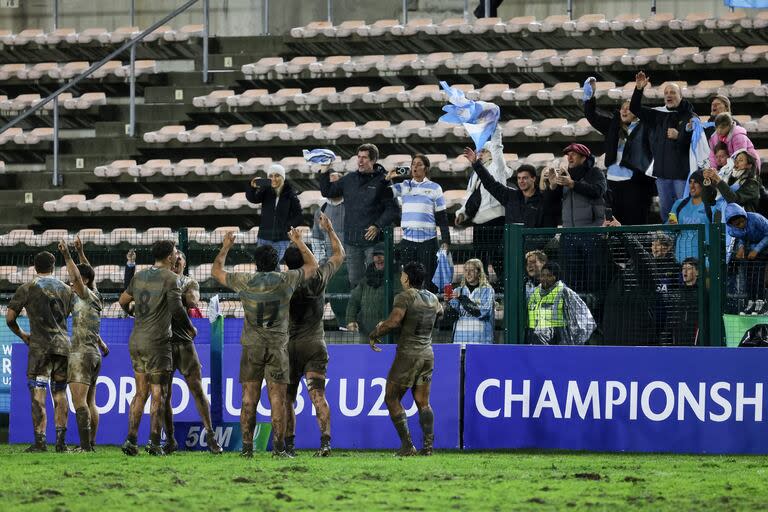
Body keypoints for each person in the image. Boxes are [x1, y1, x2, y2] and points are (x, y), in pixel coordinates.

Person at [212, 229, 317, 458]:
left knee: (249, 398)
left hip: (251, 346)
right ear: (276, 262)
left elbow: (216, 271)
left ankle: (247, 448)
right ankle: (279, 449)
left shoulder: (244, 281)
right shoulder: (285, 280)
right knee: (278, 399)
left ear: (256, 263)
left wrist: (226, 246)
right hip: (278, 347)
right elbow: (312, 267)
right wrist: (298, 242)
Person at [124, 249, 222, 454]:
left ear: (184, 264)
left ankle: (211, 435)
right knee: (163, 395)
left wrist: (177, 291)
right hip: (162, 344)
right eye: (174, 259)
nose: (176, 262)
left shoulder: (188, 282)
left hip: (184, 344)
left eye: (180, 260)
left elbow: (193, 301)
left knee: (196, 389)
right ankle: (169, 439)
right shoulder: (162, 280)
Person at [118, 240, 195, 456]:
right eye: (175, 253)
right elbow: (177, 309)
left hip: (136, 340)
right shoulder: (171, 278)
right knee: (158, 393)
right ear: (170, 257)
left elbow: (123, 301)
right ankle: (154, 442)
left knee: (140, 392)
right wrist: (190, 328)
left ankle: (131, 440)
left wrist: (133, 313)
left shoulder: (139, 276)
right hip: (157, 342)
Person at [283, 213, 345, 457]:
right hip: (314, 344)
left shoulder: (284, 282)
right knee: (317, 395)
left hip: (288, 346)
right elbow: (340, 255)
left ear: (287, 265)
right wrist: (329, 230)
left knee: (287, 399)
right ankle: (326, 443)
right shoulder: (319, 278)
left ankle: (288, 447)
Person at [368, 262, 442, 456]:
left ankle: (407, 446)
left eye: (402, 275)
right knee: (423, 403)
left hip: (408, 355)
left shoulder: (405, 296)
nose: (401, 277)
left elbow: (394, 321)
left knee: (391, 398)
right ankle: (427, 448)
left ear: (407, 278)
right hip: (427, 355)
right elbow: (440, 313)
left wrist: (376, 331)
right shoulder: (434, 299)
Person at [6, 251, 74, 452]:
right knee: (60, 392)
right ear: (54, 267)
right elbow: (67, 313)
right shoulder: (66, 289)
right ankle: (61, 444)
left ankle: (40, 442)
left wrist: (23, 335)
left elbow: (10, 318)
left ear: (35, 267)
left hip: (40, 347)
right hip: (63, 346)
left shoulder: (28, 288)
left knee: (38, 393)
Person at [318, 143, 400, 288]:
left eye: (365, 158)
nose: (360, 161)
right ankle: (359, 311)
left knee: (375, 281)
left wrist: (377, 225)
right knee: (355, 282)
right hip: (352, 242)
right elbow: (328, 191)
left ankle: (375, 310)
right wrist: (324, 170)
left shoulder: (384, 180)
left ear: (373, 160)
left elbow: (393, 210)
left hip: (374, 243)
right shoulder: (349, 179)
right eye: (359, 157)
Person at [58, 238, 109, 452]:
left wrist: (67, 255)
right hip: (94, 354)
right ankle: (92, 444)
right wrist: (81, 252)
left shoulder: (85, 294)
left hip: (81, 355)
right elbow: (87, 274)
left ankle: (85, 447)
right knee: (90, 403)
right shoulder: (95, 295)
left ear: (84, 281)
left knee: (79, 403)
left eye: (75, 281)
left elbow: (79, 276)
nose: (71, 283)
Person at [583, 76, 655, 225]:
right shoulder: (613, 126)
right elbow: (592, 117)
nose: (624, 110)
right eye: (622, 107)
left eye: (628, 108)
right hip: (613, 184)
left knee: (635, 224)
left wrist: (639, 90)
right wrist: (589, 98)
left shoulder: (646, 126)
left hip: (636, 184)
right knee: (615, 227)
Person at [630, 71, 696, 220]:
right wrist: (639, 89)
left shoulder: (690, 116)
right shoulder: (658, 114)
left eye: (673, 92)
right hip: (662, 174)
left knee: (684, 209)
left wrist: (679, 136)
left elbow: (697, 143)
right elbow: (634, 108)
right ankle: (669, 241)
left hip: (682, 174)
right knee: (667, 213)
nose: (669, 95)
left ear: (681, 96)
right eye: (666, 92)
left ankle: (687, 239)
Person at [542, 143, 607, 292]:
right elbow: (550, 205)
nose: (569, 157)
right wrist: (552, 187)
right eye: (567, 154)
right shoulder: (564, 177)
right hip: (568, 234)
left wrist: (573, 184)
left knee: (593, 278)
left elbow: (598, 190)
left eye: (574, 154)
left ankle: (594, 310)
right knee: (571, 279)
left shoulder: (594, 172)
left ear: (584, 157)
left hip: (591, 233)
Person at [385, 154, 451, 292]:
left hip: (428, 241)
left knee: (428, 280)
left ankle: (430, 310)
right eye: (413, 164)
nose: (415, 166)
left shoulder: (435, 188)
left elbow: (442, 217)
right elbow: (384, 194)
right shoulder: (404, 186)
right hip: (408, 241)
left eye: (419, 164)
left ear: (426, 168)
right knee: (409, 281)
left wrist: (446, 239)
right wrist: (387, 179)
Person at [455, 129, 511, 290]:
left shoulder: (499, 168)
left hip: (496, 219)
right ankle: (481, 290)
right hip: (478, 221)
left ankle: (504, 290)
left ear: (492, 153)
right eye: (480, 151)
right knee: (479, 259)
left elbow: (498, 146)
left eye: (484, 151)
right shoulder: (475, 174)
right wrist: (462, 213)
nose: (480, 154)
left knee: (498, 258)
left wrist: (495, 128)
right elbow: (469, 195)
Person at [461, 149, 560, 228]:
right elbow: (490, 183)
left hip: (533, 250)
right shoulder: (511, 196)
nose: (521, 181)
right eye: (519, 178)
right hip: (512, 248)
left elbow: (550, 221)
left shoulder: (542, 199)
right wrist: (476, 163)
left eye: (525, 178)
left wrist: (553, 187)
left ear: (533, 179)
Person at [526, 262, 596, 345]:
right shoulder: (533, 292)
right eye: (543, 275)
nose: (545, 278)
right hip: (533, 337)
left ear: (556, 277)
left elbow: (583, 317)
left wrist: (576, 341)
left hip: (556, 339)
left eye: (549, 276)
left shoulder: (564, 292)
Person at [246, 164, 304, 261]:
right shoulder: (265, 190)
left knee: (275, 265)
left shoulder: (290, 194)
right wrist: (252, 187)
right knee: (261, 266)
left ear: (283, 177)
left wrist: (286, 227)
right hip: (264, 237)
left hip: (282, 239)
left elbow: (299, 216)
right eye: (271, 176)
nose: (274, 179)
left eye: (277, 175)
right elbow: (253, 199)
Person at [345, 249, 402, 340]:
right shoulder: (366, 279)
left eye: (381, 254)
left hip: (389, 333)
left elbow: (400, 306)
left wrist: (387, 322)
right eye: (376, 255)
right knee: (365, 354)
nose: (378, 258)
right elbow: (354, 300)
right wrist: (350, 320)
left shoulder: (397, 279)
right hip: (365, 333)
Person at [726, 203, 768, 308]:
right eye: (737, 224)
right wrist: (741, 247)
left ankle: (761, 301)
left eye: (742, 222)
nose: (741, 225)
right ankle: (751, 301)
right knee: (750, 274)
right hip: (754, 245)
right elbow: (742, 236)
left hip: (764, 246)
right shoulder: (732, 230)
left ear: (744, 216)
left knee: (760, 274)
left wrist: (756, 250)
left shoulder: (756, 219)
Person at [668, 171, 712, 263]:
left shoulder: (712, 206)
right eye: (690, 182)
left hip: (704, 262)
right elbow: (668, 230)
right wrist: (671, 227)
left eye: (695, 182)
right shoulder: (678, 204)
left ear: (703, 184)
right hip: (681, 260)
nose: (691, 186)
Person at [447, 259, 495, 344]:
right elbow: (452, 316)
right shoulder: (458, 290)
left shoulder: (487, 291)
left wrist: (462, 299)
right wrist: (448, 303)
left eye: (471, 270)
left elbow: (481, 312)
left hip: (480, 341)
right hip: (460, 340)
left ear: (479, 272)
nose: (468, 273)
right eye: (466, 270)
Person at [310, 168, 345, 263]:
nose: (331, 187)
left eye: (335, 181)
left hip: (350, 261)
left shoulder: (351, 207)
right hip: (330, 263)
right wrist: (320, 260)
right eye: (329, 182)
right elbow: (316, 239)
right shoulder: (320, 211)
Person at [665, 258, 701, 345]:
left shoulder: (702, 294)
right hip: (678, 337)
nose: (685, 271)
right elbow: (670, 319)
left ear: (697, 272)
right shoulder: (676, 293)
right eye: (683, 268)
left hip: (695, 339)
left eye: (688, 268)